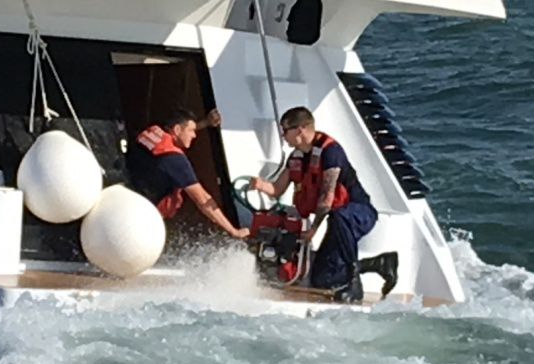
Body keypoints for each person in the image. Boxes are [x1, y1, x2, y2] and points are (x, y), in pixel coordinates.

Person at [250, 106, 398, 301]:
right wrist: (259, 185)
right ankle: (380, 264)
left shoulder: (330, 152)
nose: (283, 136)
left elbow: (327, 198)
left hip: (358, 214)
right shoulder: (295, 158)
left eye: (285, 131)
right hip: (336, 224)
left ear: (300, 130)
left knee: (339, 216)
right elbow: (277, 190)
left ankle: (354, 285)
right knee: (322, 278)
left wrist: (313, 230)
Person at [128, 108, 250, 239]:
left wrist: (205, 123)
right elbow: (202, 199)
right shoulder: (174, 159)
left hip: (129, 194)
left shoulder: (154, 132)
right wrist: (233, 231)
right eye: (191, 131)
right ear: (177, 130)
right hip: (142, 214)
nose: (195, 135)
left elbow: (180, 129)